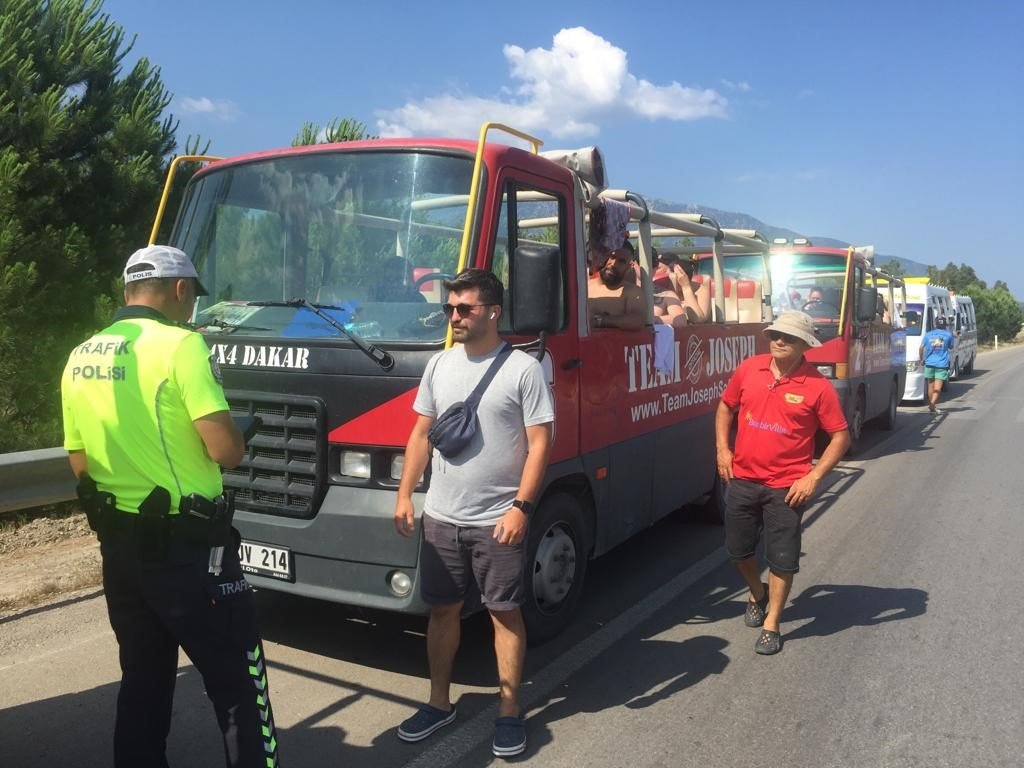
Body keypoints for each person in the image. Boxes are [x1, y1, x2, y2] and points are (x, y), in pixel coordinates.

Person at [60, 245, 281, 768]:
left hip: (121, 549)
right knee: (238, 684)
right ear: (180, 289)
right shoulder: (183, 346)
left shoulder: (81, 354)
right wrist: (235, 435)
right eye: (192, 296)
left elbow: (78, 460)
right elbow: (224, 450)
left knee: (143, 681)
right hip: (190, 550)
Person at [394, 268, 554, 758]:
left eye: (464, 308)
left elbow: (540, 443)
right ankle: (438, 703)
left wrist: (521, 507)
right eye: (450, 308)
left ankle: (509, 710)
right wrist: (405, 494)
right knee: (442, 611)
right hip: (442, 517)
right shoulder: (439, 365)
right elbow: (421, 434)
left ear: (493, 312)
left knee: (504, 612)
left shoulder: (523, 369)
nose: (454, 316)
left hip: (497, 520)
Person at [714, 310, 850, 655]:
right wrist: (723, 450)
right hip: (742, 479)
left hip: (787, 488)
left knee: (781, 559)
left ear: (804, 345)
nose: (778, 340)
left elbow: (840, 437)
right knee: (738, 553)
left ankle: (772, 622)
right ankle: (757, 592)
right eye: (775, 334)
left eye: (788, 337)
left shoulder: (818, 387)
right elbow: (726, 407)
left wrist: (813, 476)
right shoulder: (750, 369)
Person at [588, 247, 647, 330]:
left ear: (629, 266)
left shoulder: (632, 292)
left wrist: (600, 320)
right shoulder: (583, 288)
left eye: (621, 261)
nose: (613, 264)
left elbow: (637, 321)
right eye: (612, 257)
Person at [920, 315, 955, 413]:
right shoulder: (948, 335)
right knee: (938, 388)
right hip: (941, 364)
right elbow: (951, 347)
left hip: (929, 363)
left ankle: (932, 406)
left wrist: (921, 359)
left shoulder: (928, 334)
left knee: (930, 386)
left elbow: (921, 347)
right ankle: (932, 406)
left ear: (935, 324)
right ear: (945, 325)